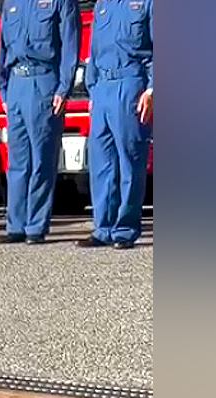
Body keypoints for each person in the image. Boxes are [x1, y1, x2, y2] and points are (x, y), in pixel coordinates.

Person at [0, 0, 79, 244]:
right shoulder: (11, 3)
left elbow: (70, 44)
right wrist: (3, 89)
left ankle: (35, 226)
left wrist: (64, 87)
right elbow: (1, 46)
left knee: (42, 158)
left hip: (43, 82)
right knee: (17, 161)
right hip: (16, 84)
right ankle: (16, 225)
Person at [78, 0, 153, 250]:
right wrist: (92, 89)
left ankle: (125, 228)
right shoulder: (103, 5)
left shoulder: (145, 4)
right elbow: (95, 50)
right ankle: (103, 227)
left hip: (130, 84)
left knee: (130, 159)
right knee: (101, 161)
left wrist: (152, 90)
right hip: (102, 88)